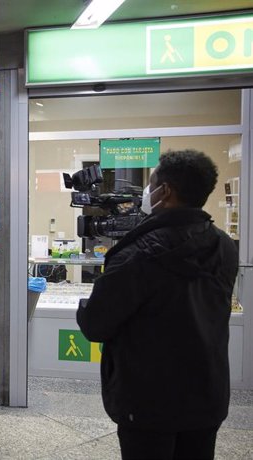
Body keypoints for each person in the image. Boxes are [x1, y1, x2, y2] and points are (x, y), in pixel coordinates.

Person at [77, 150, 239, 459]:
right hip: (207, 393)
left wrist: (87, 305)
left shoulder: (136, 254)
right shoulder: (224, 246)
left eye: (151, 184)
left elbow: (96, 324)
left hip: (147, 402)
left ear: (164, 191)